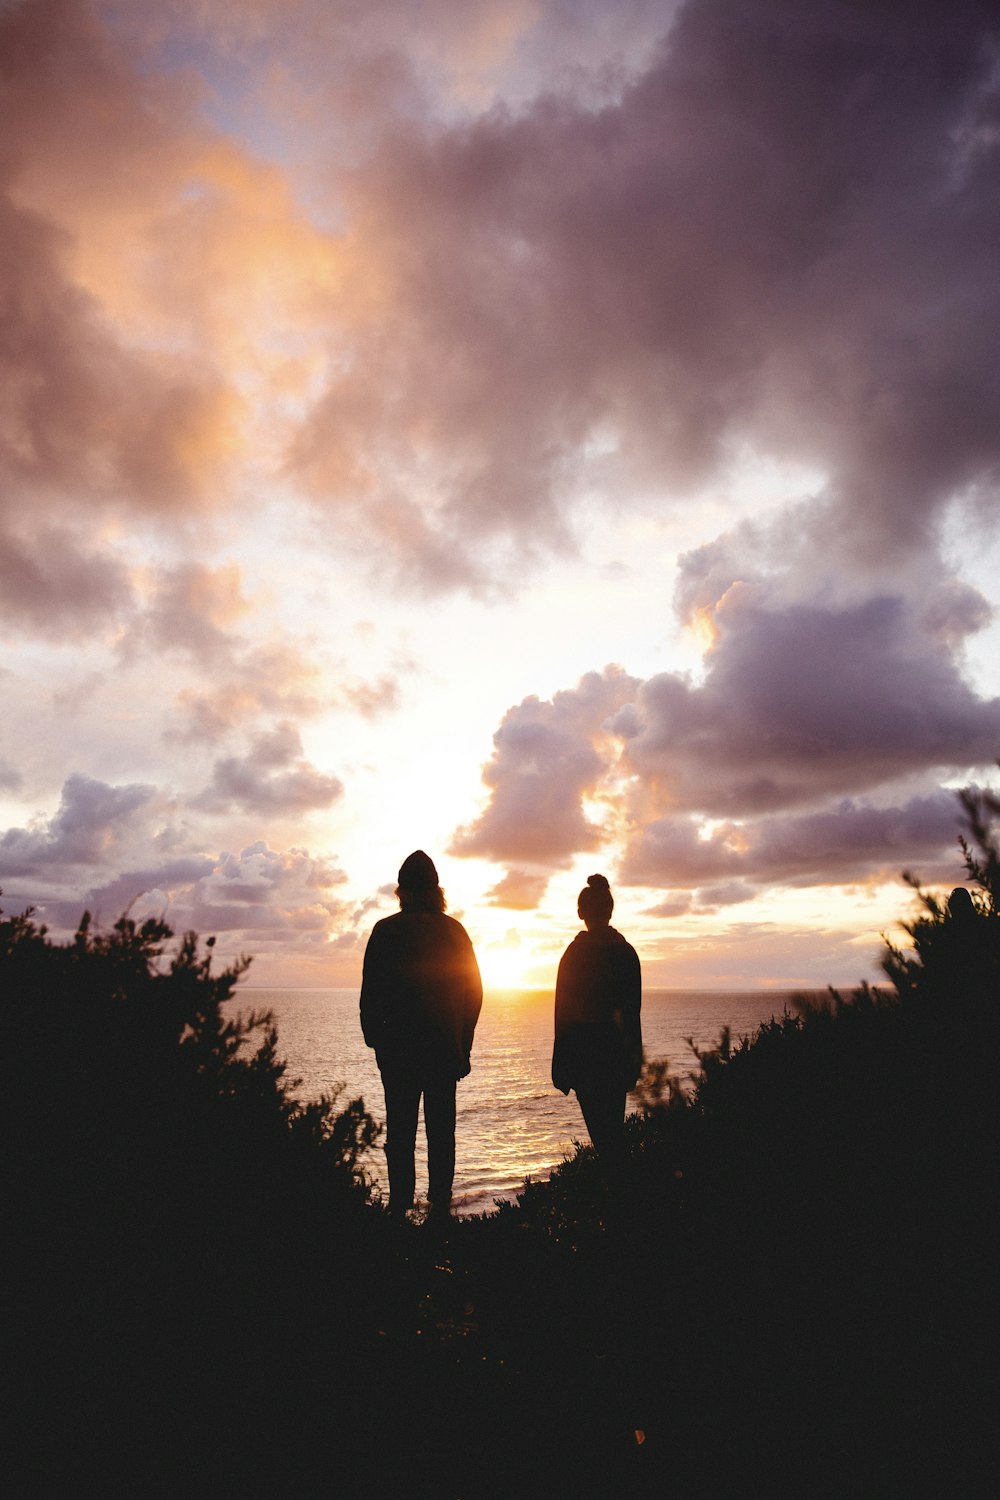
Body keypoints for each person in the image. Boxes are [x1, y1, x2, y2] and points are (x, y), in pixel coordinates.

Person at [360, 850, 482, 1218]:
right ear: (435, 890)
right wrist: (463, 1044)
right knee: (441, 1134)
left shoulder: (386, 931)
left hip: (398, 1053)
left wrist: (377, 1040)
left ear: (404, 892)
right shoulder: (455, 932)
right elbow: (474, 993)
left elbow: (370, 995)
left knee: (400, 1136)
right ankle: (440, 1210)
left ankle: (400, 1210)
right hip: (443, 1050)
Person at [552, 873, 642, 1157]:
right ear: (609, 911)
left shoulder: (574, 954)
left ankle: (614, 1192)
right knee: (613, 1133)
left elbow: (563, 1014)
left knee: (602, 1137)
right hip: (616, 1056)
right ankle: (619, 1190)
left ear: (581, 913)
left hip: (585, 1058)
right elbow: (633, 1013)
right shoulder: (627, 953)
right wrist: (634, 1061)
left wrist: (562, 1066)